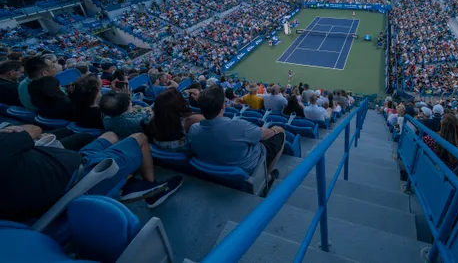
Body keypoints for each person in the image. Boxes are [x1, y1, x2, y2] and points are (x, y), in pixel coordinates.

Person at [0, 124, 183, 221]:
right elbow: (34, 129)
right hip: (81, 176)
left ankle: (127, 180)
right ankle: (150, 188)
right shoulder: (3, 144)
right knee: (140, 138)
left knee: (110, 136)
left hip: (75, 159)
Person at [189, 85, 285, 178]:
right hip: (246, 167)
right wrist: (274, 130)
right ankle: (267, 177)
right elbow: (264, 134)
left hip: (212, 169)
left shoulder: (193, 130)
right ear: (223, 105)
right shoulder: (239, 126)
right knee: (281, 132)